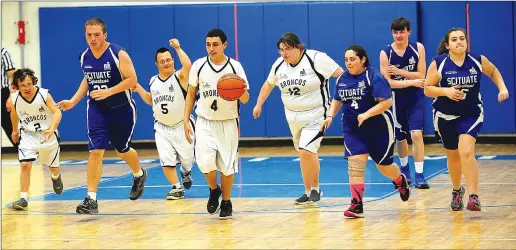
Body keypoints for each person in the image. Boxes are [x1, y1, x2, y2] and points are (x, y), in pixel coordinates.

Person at [57, 18, 147, 214]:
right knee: (96, 150)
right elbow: (88, 80)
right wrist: (73, 101)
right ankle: (91, 199)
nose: (93, 38)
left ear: (105, 35)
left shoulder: (118, 54)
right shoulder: (84, 56)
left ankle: (139, 174)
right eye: (89, 35)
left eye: (97, 34)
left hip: (122, 108)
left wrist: (109, 91)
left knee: (122, 149)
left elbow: (132, 80)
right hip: (97, 108)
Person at [424, 27, 509, 211]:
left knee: (466, 151)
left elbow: (493, 72)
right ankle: (457, 190)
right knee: (453, 155)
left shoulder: (477, 60)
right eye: (454, 39)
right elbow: (427, 88)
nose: (459, 42)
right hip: (444, 116)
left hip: (470, 113)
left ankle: (473, 196)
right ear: (447, 45)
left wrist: (502, 88)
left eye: (462, 38)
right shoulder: (438, 63)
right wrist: (446, 91)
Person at [253, 32, 344, 204]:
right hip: (292, 116)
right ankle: (307, 191)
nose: (284, 53)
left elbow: (341, 74)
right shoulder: (279, 65)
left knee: (307, 149)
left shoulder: (316, 58)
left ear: (298, 47)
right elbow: (268, 84)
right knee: (303, 153)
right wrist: (258, 104)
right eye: (281, 50)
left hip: (317, 114)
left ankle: (316, 189)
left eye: (287, 49)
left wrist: (343, 97)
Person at [321, 45, 410, 218]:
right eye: (346, 60)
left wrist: (367, 114)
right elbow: (337, 99)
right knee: (355, 163)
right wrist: (330, 116)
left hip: (379, 128)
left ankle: (400, 180)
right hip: (353, 128)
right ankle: (356, 205)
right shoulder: (342, 79)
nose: (348, 63)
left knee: (384, 166)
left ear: (362, 59)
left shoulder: (374, 77)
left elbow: (387, 102)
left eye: (352, 59)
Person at [184, 28, 249, 220]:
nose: (211, 48)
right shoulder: (198, 65)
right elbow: (190, 93)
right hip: (205, 122)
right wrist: (186, 119)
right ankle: (214, 189)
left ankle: (227, 201)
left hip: (228, 122)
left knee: (228, 167)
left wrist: (238, 90)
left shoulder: (235, 67)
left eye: (215, 44)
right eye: (208, 44)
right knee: (205, 163)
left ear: (224, 45)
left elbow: (245, 99)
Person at [133, 39, 194, 200]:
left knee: (187, 159)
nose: (166, 63)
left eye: (168, 60)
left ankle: (186, 171)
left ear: (173, 60)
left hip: (182, 125)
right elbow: (150, 99)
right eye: (162, 61)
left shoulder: (180, 76)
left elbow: (188, 67)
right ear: (157, 64)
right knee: (166, 159)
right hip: (161, 127)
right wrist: (138, 88)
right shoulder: (153, 81)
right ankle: (176, 187)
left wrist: (179, 49)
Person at [379, 17, 429, 188]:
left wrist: (400, 72)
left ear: (409, 32)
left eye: (402, 31)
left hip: (415, 96)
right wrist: (411, 80)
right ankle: (405, 170)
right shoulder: (386, 53)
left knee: (416, 134)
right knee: (401, 139)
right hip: (396, 99)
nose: (398, 35)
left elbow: (422, 74)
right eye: (395, 32)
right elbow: (388, 83)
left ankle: (420, 175)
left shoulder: (418, 48)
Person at [8, 68, 64, 210]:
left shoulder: (44, 94)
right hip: (28, 134)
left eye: (29, 84)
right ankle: (23, 198)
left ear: (34, 82)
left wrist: (52, 128)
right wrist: (14, 130)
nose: (27, 88)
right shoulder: (15, 99)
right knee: (25, 165)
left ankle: (56, 177)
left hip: (47, 134)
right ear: (16, 87)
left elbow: (57, 111)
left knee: (53, 167)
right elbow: (14, 114)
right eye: (23, 85)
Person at [1, 47, 17, 147]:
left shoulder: (3, 52)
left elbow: (12, 74)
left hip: (2, 93)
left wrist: (11, 95)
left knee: (9, 125)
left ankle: (23, 152)